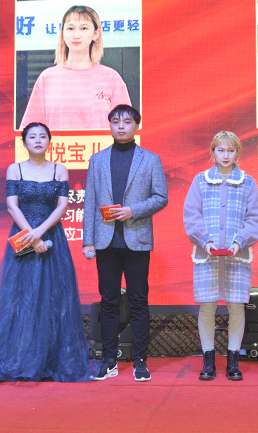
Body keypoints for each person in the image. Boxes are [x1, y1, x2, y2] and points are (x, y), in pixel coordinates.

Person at [0, 122, 99, 382]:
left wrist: (40, 232)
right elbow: (12, 206)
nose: (38, 140)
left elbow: (62, 207)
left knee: (54, 297)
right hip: (22, 235)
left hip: (52, 237)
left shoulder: (59, 170)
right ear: (25, 142)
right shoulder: (15, 169)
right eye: (32, 136)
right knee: (20, 295)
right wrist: (31, 235)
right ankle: (18, 359)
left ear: (49, 141)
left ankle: (50, 359)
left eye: (43, 136)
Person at [82, 104, 168, 381]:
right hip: (105, 241)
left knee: (138, 301)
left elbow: (161, 197)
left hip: (136, 240)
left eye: (127, 121)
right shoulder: (97, 160)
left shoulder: (150, 159)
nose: (121, 126)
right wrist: (87, 241)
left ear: (136, 126)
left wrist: (133, 210)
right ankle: (109, 360)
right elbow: (90, 202)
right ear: (109, 125)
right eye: (116, 121)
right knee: (108, 302)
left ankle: (141, 360)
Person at [183, 131, 258, 381]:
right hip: (206, 255)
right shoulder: (200, 181)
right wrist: (204, 240)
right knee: (207, 305)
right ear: (213, 152)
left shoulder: (248, 182)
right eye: (221, 150)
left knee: (236, 306)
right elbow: (191, 214)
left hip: (237, 256)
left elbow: (255, 218)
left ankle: (233, 360)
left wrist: (240, 241)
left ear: (237, 152)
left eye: (231, 150)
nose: (225, 155)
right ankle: (208, 360)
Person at [20, 5, 131, 130]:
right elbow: (29, 131)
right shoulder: (47, 78)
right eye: (70, 28)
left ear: (96, 34)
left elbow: (126, 130)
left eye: (83, 28)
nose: (76, 35)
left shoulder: (111, 78)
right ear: (62, 34)